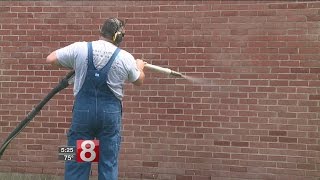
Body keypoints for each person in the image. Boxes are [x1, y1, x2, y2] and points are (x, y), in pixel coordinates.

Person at [46, 17, 145, 180]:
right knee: (108, 163)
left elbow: (51, 59)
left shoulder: (80, 48)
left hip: (83, 115)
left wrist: (75, 64)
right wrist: (139, 66)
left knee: (77, 160)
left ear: (101, 31)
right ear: (118, 37)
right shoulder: (126, 57)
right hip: (109, 117)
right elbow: (139, 80)